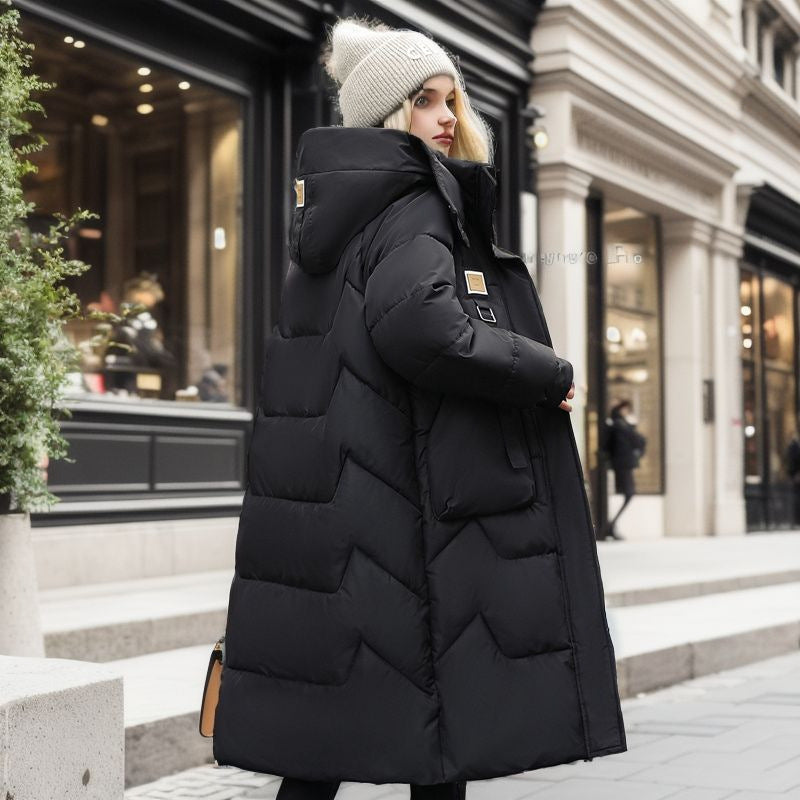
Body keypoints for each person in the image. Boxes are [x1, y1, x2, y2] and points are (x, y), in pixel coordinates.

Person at [211, 15, 627, 798]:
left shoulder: (332, 221)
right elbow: (423, 329)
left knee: (327, 725)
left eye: (452, 100)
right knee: (443, 725)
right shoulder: (414, 204)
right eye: (425, 101)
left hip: (343, 502)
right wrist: (544, 370)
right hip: (409, 505)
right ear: (387, 115)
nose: (448, 118)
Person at [599, 399, 646, 540]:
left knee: (627, 494)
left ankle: (610, 526)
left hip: (621, 464)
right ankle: (609, 526)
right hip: (622, 465)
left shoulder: (619, 423)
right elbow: (638, 440)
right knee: (628, 494)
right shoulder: (619, 424)